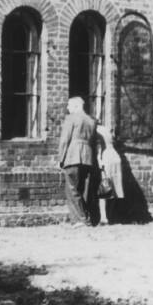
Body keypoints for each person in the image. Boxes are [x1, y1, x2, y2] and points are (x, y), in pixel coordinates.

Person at [57, 97, 97, 228]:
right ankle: (86, 218)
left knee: (72, 188)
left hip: (72, 156)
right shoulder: (91, 121)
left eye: (69, 105)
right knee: (84, 190)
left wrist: (60, 159)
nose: (67, 108)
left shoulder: (71, 118)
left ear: (75, 106)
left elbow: (64, 140)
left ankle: (79, 220)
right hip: (88, 158)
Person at [95, 123, 124, 224]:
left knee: (104, 188)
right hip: (115, 157)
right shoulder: (108, 129)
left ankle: (104, 217)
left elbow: (99, 150)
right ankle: (110, 217)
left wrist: (100, 164)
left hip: (107, 158)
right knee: (114, 188)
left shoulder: (97, 130)